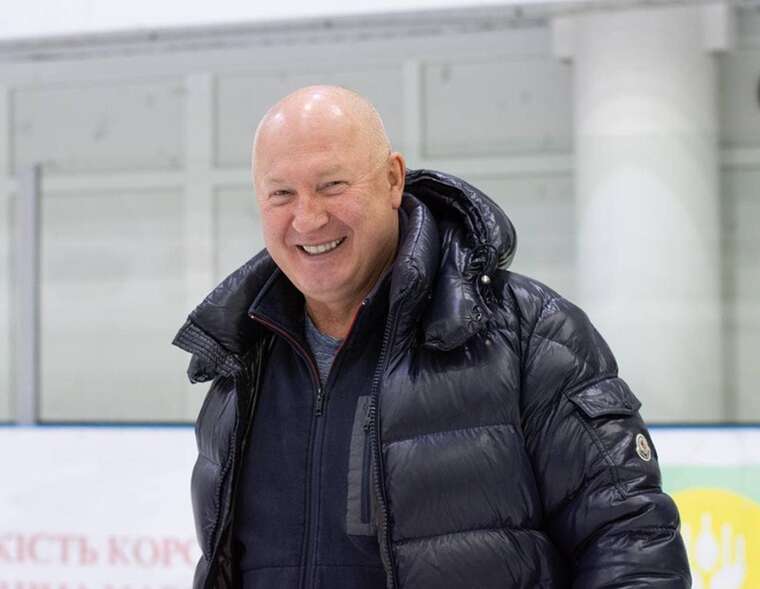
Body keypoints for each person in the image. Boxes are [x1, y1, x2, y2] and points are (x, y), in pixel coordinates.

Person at [173, 85, 691, 588]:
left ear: (392, 179)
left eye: (332, 185)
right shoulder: (240, 360)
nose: (308, 218)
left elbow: (631, 545)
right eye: (281, 194)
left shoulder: (531, 335)